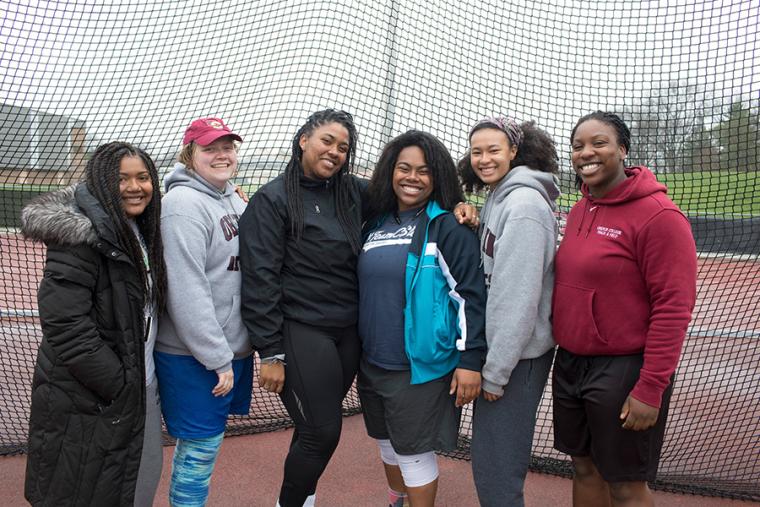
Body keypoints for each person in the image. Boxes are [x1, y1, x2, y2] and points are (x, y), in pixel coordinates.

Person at [552, 111, 697, 506]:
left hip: (624, 368)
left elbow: (674, 307)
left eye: (599, 143)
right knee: (584, 468)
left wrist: (650, 388)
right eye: (578, 146)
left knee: (626, 485)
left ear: (623, 150)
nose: (586, 153)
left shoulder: (660, 216)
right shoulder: (581, 208)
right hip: (570, 363)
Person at [22, 142, 167, 506]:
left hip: (137, 384)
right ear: (102, 182)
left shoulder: (138, 228)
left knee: (137, 478)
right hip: (91, 393)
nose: (135, 187)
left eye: (143, 177)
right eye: (122, 179)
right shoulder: (80, 239)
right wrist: (118, 384)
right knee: (85, 487)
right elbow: (65, 324)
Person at [358, 130, 486, 507]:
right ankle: (397, 501)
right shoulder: (374, 222)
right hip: (372, 361)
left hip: (419, 365)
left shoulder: (447, 227)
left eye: (424, 171)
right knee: (386, 445)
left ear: (438, 177)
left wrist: (470, 360)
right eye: (404, 168)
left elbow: (470, 297)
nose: (412, 177)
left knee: (412, 451)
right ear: (389, 172)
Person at [460, 117, 560, 507]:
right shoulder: (499, 197)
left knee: (498, 471)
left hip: (517, 356)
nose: (484, 159)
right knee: (492, 464)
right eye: (477, 151)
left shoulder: (522, 205)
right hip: (506, 351)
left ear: (514, 152)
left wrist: (496, 373)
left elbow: (516, 295)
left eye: (494, 150)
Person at [155, 117, 254, 506]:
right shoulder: (181, 206)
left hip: (226, 348)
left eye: (227, 147)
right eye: (210, 148)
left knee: (204, 447)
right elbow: (186, 289)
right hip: (195, 354)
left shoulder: (231, 197)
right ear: (190, 153)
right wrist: (217, 356)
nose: (221, 154)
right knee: (198, 451)